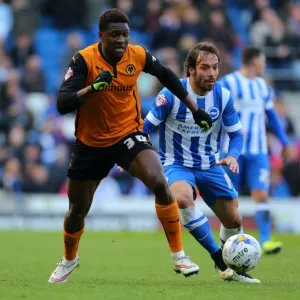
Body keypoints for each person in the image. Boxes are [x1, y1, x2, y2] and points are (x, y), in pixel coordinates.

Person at [48, 8, 213, 283]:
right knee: (77, 210)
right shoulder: (83, 60)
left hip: (128, 135)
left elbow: (166, 75)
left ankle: (179, 255)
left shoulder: (136, 55)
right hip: (91, 143)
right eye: (114, 35)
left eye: (125, 34)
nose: (121, 40)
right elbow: (62, 103)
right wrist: (92, 89)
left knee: (159, 182)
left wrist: (195, 109)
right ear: (101, 36)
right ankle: (69, 259)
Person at [143, 41, 260, 283]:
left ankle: (230, 264)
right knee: (184, 199)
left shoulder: (223, 96)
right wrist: (135, 154)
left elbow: (236, 134)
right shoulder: (170, 96)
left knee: (234, 219)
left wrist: (232, 155)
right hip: (175, 163)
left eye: (215, 67)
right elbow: (145, 128)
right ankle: (220, 260)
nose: (212, 73)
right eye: (205, 67)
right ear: (191, 70)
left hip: (210, 164)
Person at [219, 46, 292, 254]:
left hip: (258, 151)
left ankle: (266, 240)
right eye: (263, 60)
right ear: (254, 61)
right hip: (231, 150)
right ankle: (230, 241)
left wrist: (285, 142)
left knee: (261, 194)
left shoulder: (263, 86)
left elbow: (273, 117)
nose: (265, 64)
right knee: (229, 198)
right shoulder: (229, 83)